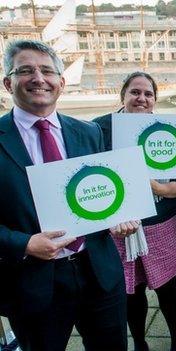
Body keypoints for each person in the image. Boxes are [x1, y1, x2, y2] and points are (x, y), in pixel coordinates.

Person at [0, 39, 140, 351]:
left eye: (47, 71)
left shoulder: (89, 132)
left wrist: (119, 216)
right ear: (8, 82)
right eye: (26, 70)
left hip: (99, 272)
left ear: (61, 82)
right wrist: (24, 243)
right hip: (31, 282)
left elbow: (104, 194)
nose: (39, 78)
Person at [93, 72, 176, 351]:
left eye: (148, 94)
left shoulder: (170, 128)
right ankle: (139, 343)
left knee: (168, 286)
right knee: (130, 290)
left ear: (155, 99)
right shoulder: (98, 130)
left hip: (162, 221)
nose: (142, 99)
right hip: (120, 227)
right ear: (122, 95)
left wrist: (163, 189)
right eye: (135, 92)